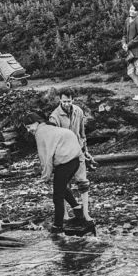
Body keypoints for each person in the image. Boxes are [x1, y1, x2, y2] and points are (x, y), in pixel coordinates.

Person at [23, 112, 86, 235]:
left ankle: (57, 227)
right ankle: (78, 212)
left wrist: (45, 176)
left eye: (29, 127)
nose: (29, 130)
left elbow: (46, 158)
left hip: (65, 162)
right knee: (61, 187)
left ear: (36, 123)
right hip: (75, 160)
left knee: (57, 196)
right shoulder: (49, 128)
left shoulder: (40, 133)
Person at [48, 88, 93, 221]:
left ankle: (86, 213)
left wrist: (86, 151)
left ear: (73, 100)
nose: (67, 104)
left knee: (83, 183)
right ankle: (65, 214)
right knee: (63, 185)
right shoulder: (54, 116)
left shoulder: (78, 111)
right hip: (64, 156)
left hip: (78, 152)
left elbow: (82, 133)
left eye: (69, 101)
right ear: (60, 100)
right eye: (64, 101)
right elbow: (53, 140)